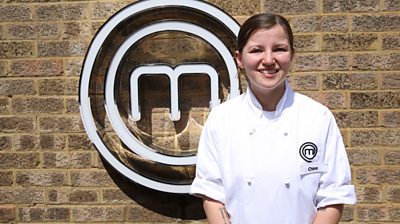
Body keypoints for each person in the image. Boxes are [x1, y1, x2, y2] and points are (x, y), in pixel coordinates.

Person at [190, 12, 356, 224]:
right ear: (240, 59)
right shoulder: (221, 120)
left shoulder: (318, 118)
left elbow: (332, 197)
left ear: (292, 55)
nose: (268, 60)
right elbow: (212, 195)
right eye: (257, 50)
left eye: (279, 49)